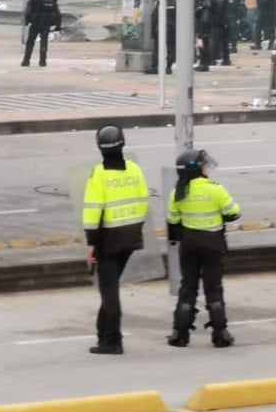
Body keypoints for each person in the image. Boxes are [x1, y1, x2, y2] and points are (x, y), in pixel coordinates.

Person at [81, 125, 150, 354]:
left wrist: (92, 243)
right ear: (122, 143)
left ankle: (113, 341)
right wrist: (134, 227)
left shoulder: (99, 173)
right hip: (130, 237)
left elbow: (92, 210)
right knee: (109, 288)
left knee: (109, 292)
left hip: (107, 239)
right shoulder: (134, 169)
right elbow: (143, 200)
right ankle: (104, 335)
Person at [166, 149, 241, 348]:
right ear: (198, 169)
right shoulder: (215, 189)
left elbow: (173, 219)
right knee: (213, 287)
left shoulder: (178, 192)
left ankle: (179, 333)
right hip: (213, 243)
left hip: (189, 244)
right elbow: (234, 212)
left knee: (188, 286)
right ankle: (220, 333)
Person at [22, 0, 63, 67]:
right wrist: (58, 25)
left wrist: (26, 21)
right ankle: (43, 61)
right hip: (46, 24)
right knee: (44, 42)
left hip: (36, 23)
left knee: (30, 42)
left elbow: (28, 11)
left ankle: (26, 60)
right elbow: (58, 13)